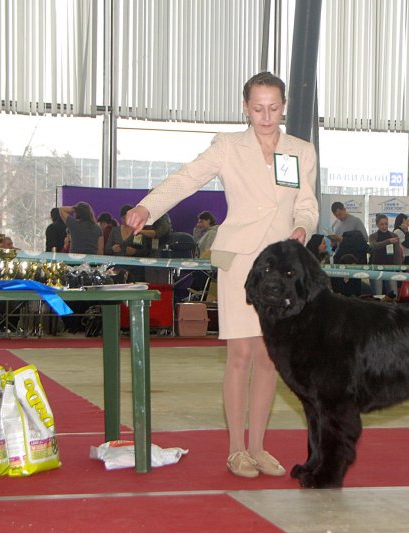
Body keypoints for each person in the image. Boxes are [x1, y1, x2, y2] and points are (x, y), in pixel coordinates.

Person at [124, 72, 318, 479]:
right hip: (240, 262)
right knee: (241, 355)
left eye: (274, 108)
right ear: (245, 108)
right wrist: (147, 208)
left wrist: (303, 227)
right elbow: (187, 178)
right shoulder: (228, 146)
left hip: (281, 267)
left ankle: (259, 448)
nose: (266, 117)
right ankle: (235, 451)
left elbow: (307, 203)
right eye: (258, 108)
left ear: (284, 107)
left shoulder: (301, 151)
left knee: (269, 358)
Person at [368, 213, 401, 296]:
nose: (384, 226)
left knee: (394, 294)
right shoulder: (372, 236)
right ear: (377, 225)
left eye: (386, 224)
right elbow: (375, 246)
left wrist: (398, 267)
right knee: (378, 294)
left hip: (391, 267)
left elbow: (397, 253)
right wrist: (388, 241)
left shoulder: (394, 235)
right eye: (381, 224)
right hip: (376, 267)